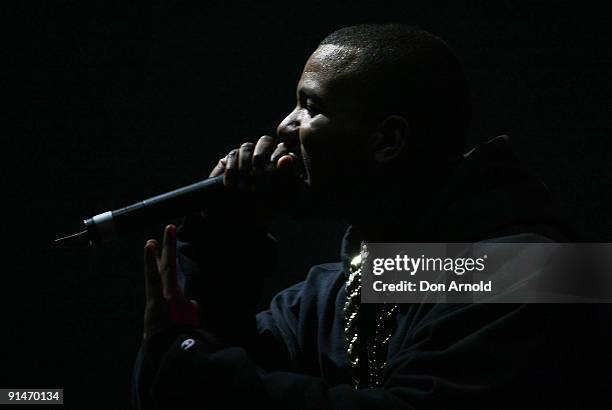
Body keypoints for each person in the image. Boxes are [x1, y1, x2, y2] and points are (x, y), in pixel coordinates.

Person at [132, 24, 612, 409]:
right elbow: (197, 378)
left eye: (310, 106)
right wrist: (227, 245)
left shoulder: (537, 270)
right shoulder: (332, 292)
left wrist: (188, 362)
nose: (285, 127)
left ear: (387, 141)